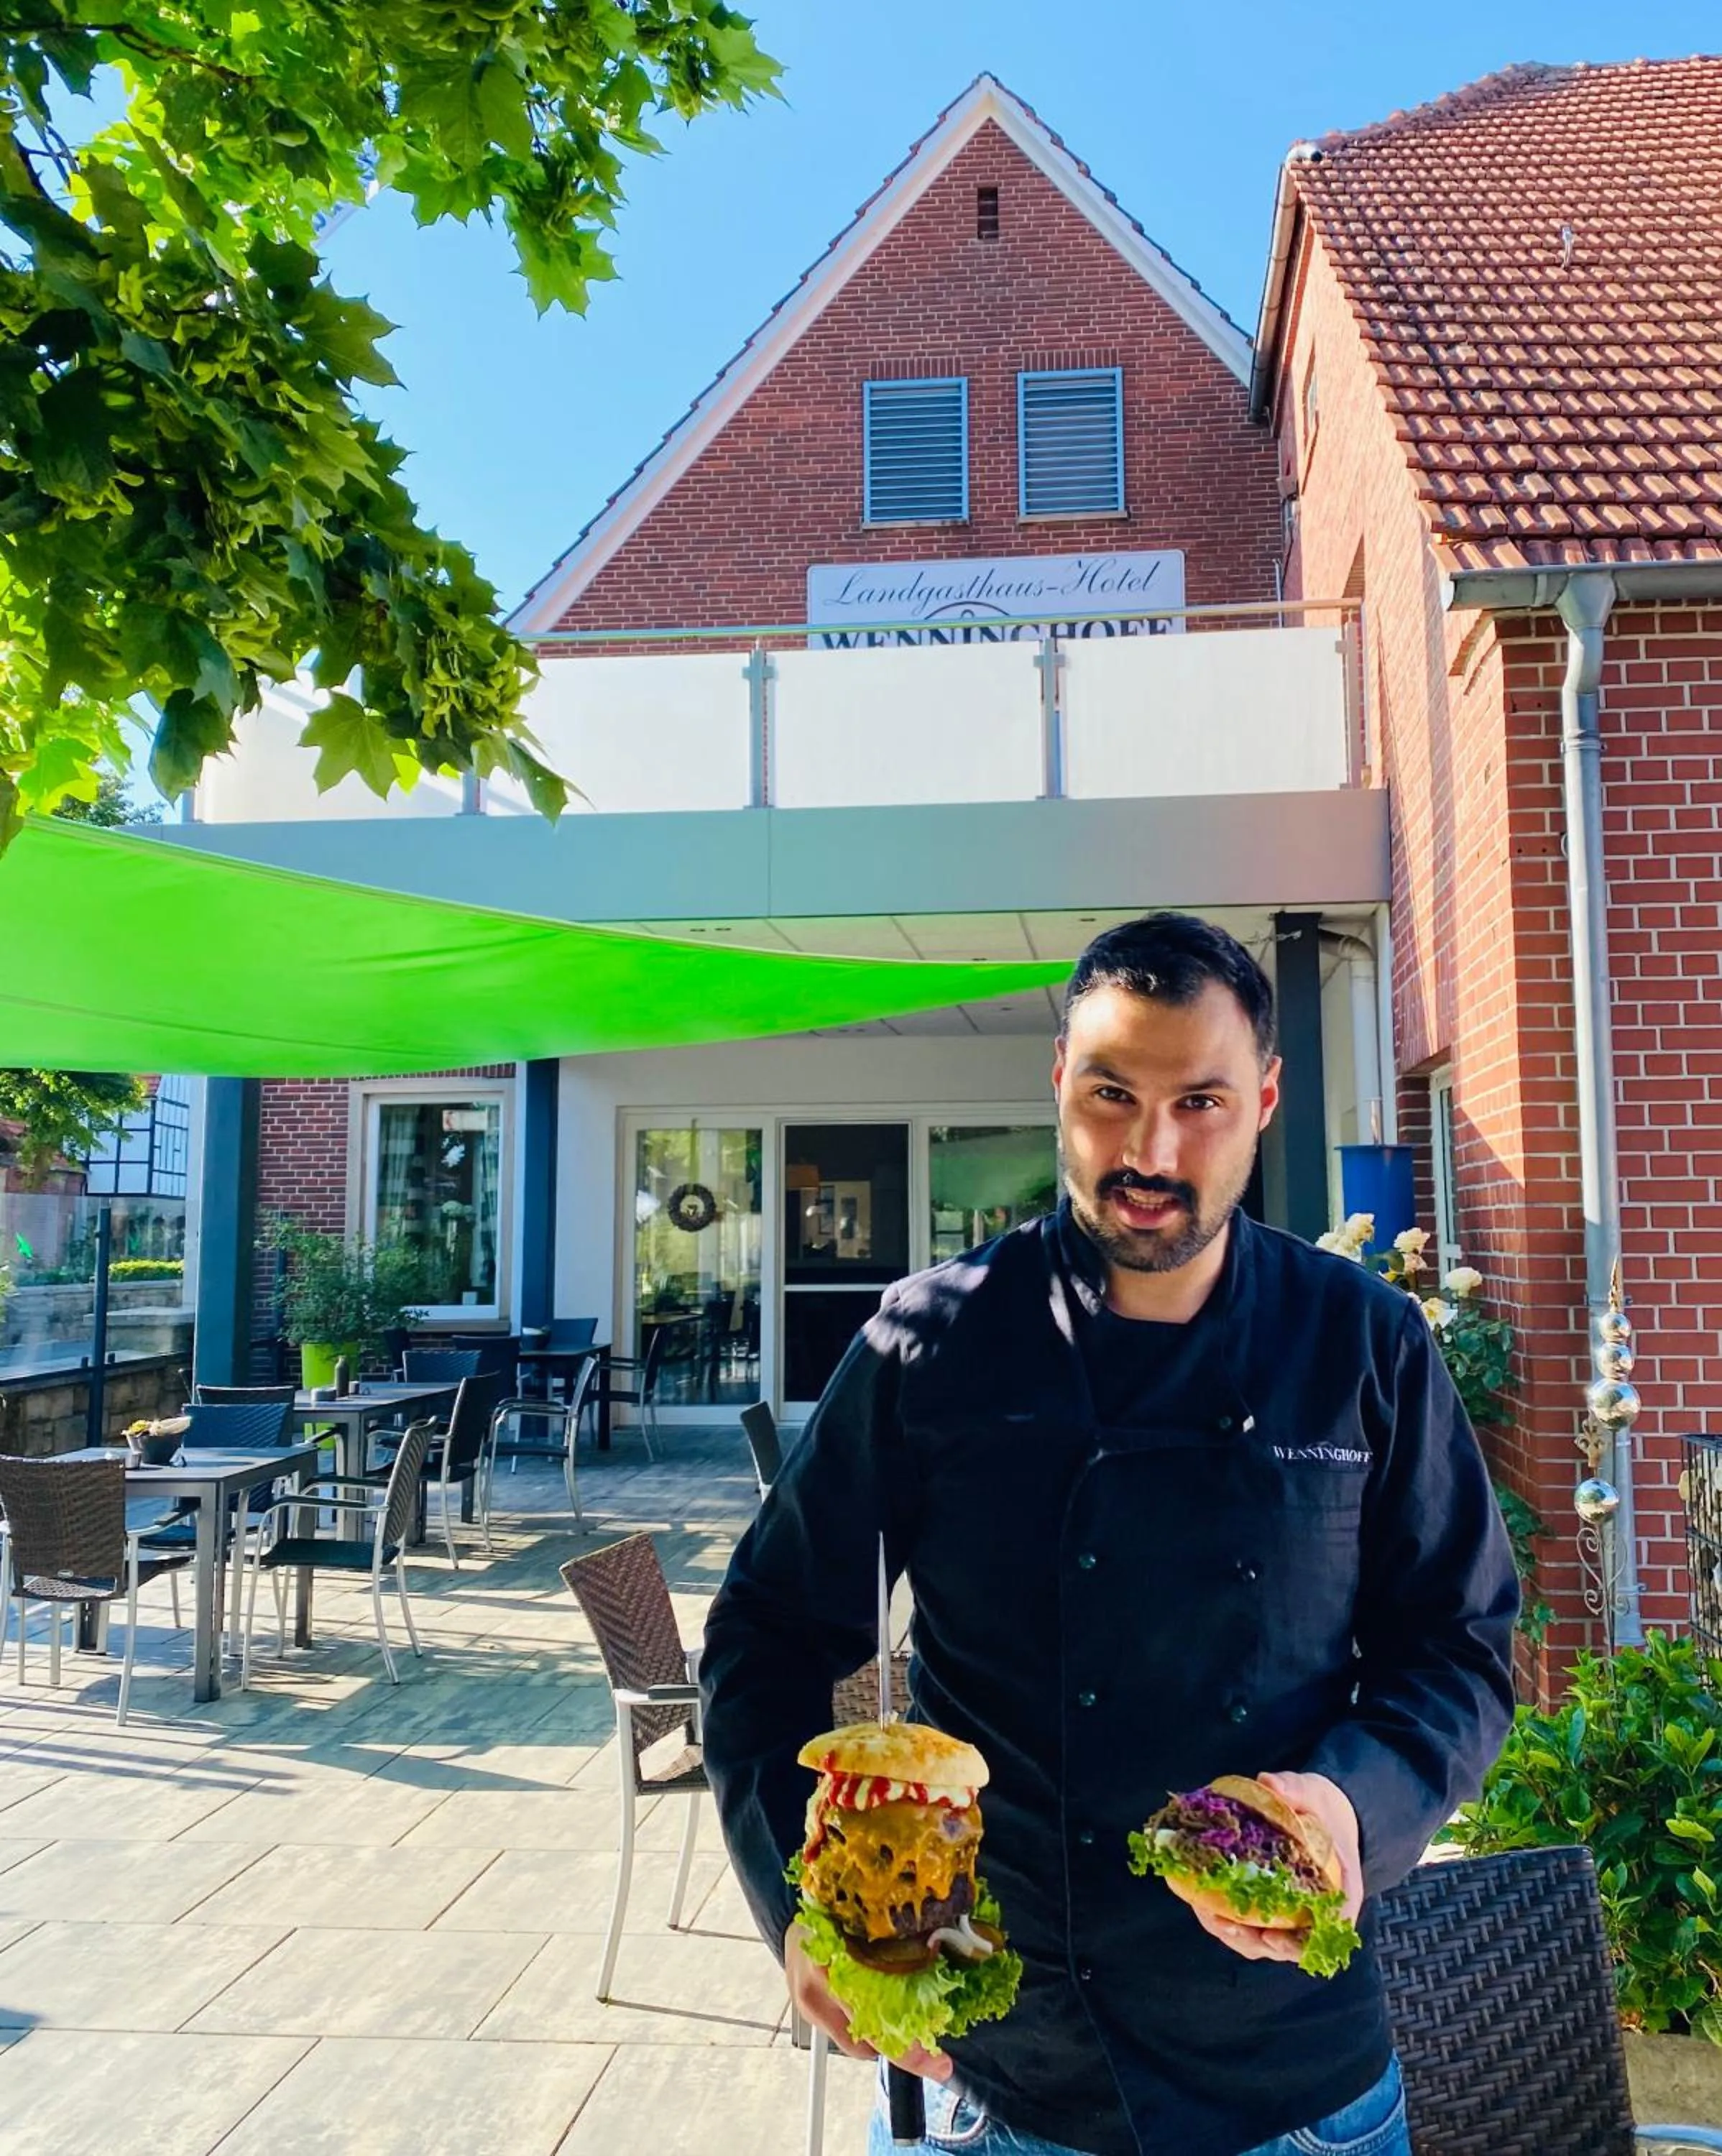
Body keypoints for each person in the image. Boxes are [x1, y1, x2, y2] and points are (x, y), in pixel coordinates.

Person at [701, 912, 1519, 2156]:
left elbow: (1458, 1650)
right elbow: (764, 1631)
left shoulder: (1363, 1343)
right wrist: (802, 1905)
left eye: (1200, 1100)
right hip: (992, 2066)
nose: (1151, 1148)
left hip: (1296, 2081)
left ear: (1264, 1099)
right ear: (1060, 1088)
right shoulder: (931, 1345)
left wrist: (1353, 1809)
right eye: (1111, 1094)